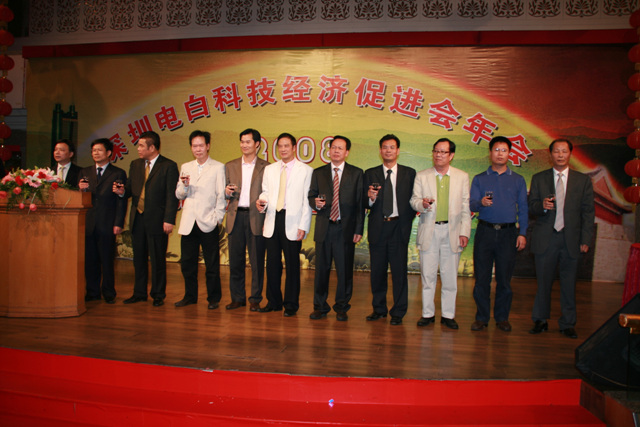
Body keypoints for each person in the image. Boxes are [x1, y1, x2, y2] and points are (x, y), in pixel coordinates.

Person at [528, 138, 595, 339]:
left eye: (564, 151)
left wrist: (585, 239)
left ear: (569, 154)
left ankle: (567, 323)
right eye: (556, 151)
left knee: (569, 283)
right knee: (543, 282)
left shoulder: (582, 181)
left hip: (571, 239)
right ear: (551, 155)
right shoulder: (539, 178)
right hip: (546, 238)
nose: (560, 155)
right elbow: (531, 207)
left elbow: (588, 212)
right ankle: (540, 320)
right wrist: (542, 206)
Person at [410, 138, 471, 330]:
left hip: (452, 231)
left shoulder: (461, 177)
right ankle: (427, 314)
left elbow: (465, 207)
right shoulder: (422, 176)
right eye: (436, 151)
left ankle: (448, 315)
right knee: (427, 276)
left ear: (451, 155)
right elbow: (414, 201)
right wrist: (422, 204)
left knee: (449, 276)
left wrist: (464, 232)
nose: (438, 155)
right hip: (430, 230)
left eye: (443, 152)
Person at [469, 136, 528, 332]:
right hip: (485, 231)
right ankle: (482, 317)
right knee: (482, 278)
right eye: (496, 150)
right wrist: (480, 203)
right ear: (490, 153)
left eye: (504, 150)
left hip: (508, 233)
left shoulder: (518, 180)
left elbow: (523, 209)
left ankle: (502, 318)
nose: (500, 154)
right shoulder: (479, 178)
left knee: (504, 279)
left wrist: (522, 233)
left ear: (509, 153)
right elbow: (471, 205)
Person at [114, 131, 179, 307]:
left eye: (142, 146)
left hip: (158, 219)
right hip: (138, 217)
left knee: (157, 259)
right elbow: (130, 188)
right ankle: (139, 292)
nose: (138, 149)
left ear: (152, 147)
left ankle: (158, 294)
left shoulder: (168, 166)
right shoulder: (135, 164)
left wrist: (169, 219)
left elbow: (171, 196)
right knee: (139, 258)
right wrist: (122, 191)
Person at [308, 135, 364, 321]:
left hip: (345, 229)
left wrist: (358, 229)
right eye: (333, 147)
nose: (336, 151)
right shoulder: (319, 173)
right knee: (321, 271)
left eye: (340, 148)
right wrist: (315, 203)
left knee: (344, 271)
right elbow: (311, 196)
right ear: (329, 150)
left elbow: (360, 204)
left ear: (347, 152)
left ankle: (341, 307)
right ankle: (320, 306)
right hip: (324, 227)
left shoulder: (356, 173)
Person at [256, 133, 313, 317]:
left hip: (293, 222)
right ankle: (273, 302)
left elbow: (306, 201)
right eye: (280, 146)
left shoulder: (306, 170)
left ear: (294, 148)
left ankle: (291, 304)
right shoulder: (270, 169)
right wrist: (262, 201)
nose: (283, 149)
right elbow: (265, 192)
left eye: (286, 145)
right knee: (272, 264)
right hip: (273, 219)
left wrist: (303, 226)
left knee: (292, 265)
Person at [363, 134, 416, 325]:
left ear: (398, 151)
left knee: (399, 272)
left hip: (399, 228)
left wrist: (406, 222)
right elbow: (363, 203)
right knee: (377, 271)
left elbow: (414, 201)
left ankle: (398, 312)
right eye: (385, 147)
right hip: (378, 226)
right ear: (380, 150)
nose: (388, 150)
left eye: (392, 147)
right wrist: (370, 198)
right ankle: (379, 309)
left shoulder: (409, 173)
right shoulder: (370, 173)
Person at [174, 130, 226, 310]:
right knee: (187, 263)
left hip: (208, 221)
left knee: (211, 263)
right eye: (194, 146)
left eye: (201, 145)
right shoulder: (186, 166)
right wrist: (184, 186)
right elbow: (179, 194)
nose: (198, 149)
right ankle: (190, 296)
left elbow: (221, 195)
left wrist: (217, 218)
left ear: (208, 146)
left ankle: (213, 298)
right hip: (189, 222)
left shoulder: (218, 167)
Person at [224, 128, 270, 312]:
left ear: (257, 144)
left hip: (256, 217)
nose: (244, 145)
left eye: (248, 142)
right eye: (242, 141)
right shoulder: (230, 165)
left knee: (257, 262)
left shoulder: (267, 167)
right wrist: (226, 192)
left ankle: (255, 299)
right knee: (235, 261)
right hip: (235, 216)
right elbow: (222, 192)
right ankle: (237, 298)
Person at [79, 138, 127, 304]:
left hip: (107, 222)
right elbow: (79, 199)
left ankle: (108, 292)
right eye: (94, 150)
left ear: (108, 153)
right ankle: (92, 292)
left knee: (107, 260)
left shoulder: (118, 173)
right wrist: (80, 190)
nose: (96, 153)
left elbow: (121, 200)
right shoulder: (85, 172)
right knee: (90, 260)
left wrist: (118, 223)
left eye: (99, 150)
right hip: (89, 222)